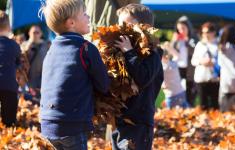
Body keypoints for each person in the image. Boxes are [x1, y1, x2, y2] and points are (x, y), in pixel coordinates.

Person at [39, 0, 110, 149]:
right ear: (71, 23)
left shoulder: (51, 50)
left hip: (47, 122)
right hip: (72, 122)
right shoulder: (86, 48)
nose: (89, 17)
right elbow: (103, 85)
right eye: (84, 14)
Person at [111, 4, 164, 150]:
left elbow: (143, 77)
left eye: (126, 24)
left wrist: (129, 52)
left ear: (144, 27)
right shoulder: (121, 51)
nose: (121, 29)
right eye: (119, 24)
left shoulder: (153, 53)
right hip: (120, 119)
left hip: (139, 122)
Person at [171, 16, 198, 106]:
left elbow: (195, 51)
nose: (181, 31)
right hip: (179, 68)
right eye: (179, 29)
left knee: (190, 90)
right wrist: (174, 42)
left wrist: (187, 41)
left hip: (190, 69)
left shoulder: (193, 39)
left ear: (188, 28)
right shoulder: (177, 40)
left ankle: (190, 106)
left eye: (183, 28)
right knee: (179, 90)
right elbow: (170, 54)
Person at [191, 22, 219, 110]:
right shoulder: (199, 45)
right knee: (203, 105)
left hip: (214, 78)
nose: (205, 35)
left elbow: (222, 61)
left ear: (213, 32)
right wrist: (201, 62)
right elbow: (193, 61)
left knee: (215, 104)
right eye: (203, 32)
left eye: (207, 32)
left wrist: (213, 62)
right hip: (201, 78)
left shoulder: (218, 45)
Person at [0, 10, 21, 127]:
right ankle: (9, 126)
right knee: (9, 120)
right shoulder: (14, 45)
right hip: (9, 85)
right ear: (8, 27)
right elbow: (18, 63)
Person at [21, 25, 49, 102]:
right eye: (33, 32)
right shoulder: (24, 45)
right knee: (29, 101)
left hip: (42, 79)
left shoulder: (46, 45)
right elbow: (21, 59)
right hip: (29, 80)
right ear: (29, 33)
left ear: (41, 34)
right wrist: (28, 46)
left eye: (37, 32)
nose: (35, 34)